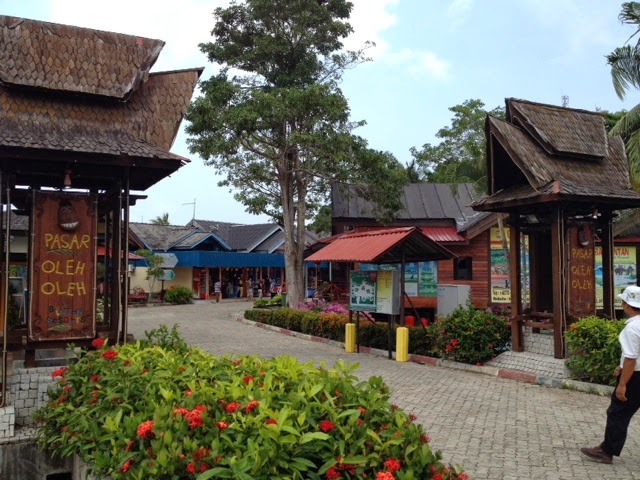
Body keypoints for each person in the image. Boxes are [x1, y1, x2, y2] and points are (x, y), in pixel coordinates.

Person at [580, 285, 640, 464]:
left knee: (618, 412)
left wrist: (622, 384)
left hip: (636, 378)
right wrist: (622, 366)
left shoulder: (632, 328)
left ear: (627, 305)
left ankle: (607, 451)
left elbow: (631, 358)